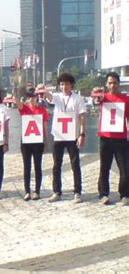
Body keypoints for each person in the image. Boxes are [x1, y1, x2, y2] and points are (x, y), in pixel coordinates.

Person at [44, 73, 86, 203]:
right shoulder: (57, 97)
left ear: (71, 85)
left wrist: (82, 135)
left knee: (75, 164)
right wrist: (43, 90)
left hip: (72, 135)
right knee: (56, 165)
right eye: (62, 84)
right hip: (59, 136)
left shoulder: (78, 98)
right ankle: (57, 191)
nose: (64, 86)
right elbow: (49, 97)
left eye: (67, 84)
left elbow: (82, 117)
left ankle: (77, 192)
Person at [94, 72, 129, 205]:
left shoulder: (125, 99)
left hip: (121, 139)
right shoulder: (103, 98)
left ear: (118, 83)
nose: (112, 85)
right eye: (109, 83)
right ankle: (103, 194)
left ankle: (125, 194)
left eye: (114, 82)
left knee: (124, 169)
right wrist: (96, 94)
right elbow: (95, 99)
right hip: (105, 138)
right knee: (104, 168)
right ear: (106, 84)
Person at [15, 87, 49, 201]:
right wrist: (16, 93)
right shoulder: (24, 108)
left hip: (38, 142)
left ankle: (37, 191)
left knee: (37, 166)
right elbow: (17, 103)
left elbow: (45, 127)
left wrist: (46, 141)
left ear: (36, 97)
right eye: (29, 97)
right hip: (26, 141)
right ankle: (27, 191)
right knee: (27, 167)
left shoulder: (42, 110)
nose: (31, 99)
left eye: (33, 97)